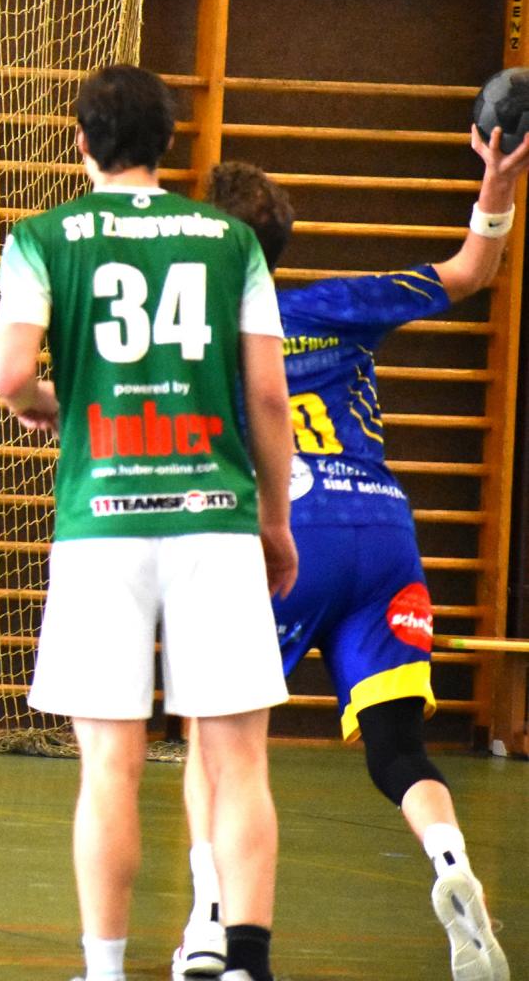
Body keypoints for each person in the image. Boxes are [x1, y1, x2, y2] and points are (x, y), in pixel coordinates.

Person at [173, 132, 526, 981]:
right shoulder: (339, 305)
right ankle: (451, 863)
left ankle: (209, 923)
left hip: (287, 536)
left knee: (216, 741)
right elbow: (471, 270)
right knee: (397, 747)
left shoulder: (203, 341)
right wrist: (497, 181)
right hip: (384, 537)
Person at [0, 64, 297, 981]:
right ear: (169, 143)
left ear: (81, 141)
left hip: (102, 522)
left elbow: (9, 376)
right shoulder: (230, 240)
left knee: (109, 767)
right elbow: (267, 397)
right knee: (238, 761)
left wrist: (52, 403)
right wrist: (276, 520)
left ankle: (105, 968)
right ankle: (246, 961)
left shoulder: (43, 237)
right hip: (213, 516)